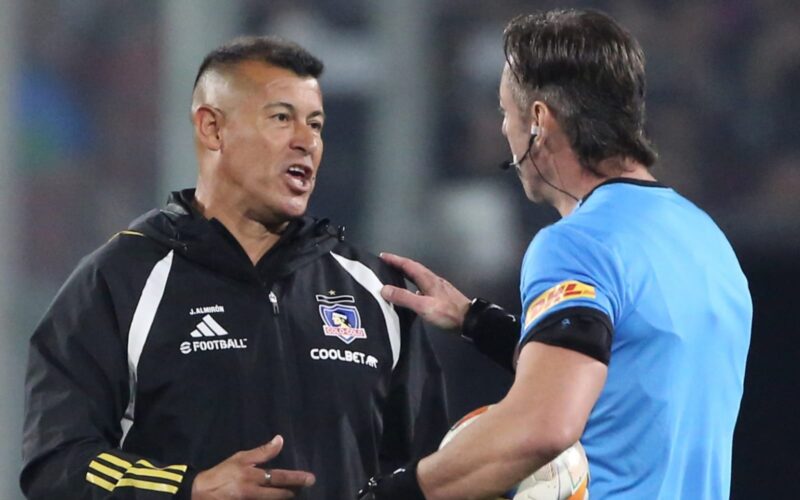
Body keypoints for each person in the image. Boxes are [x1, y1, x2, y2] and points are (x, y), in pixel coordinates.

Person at [20, 36, 448, 500]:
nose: (306, 142)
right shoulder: (119, 282)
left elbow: (430, 473)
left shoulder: (376, 293)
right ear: (212, 129)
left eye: (316, 124)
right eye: (282, 118)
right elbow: (56, 461)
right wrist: (191, 489)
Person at [359, 8, 752, 500]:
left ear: (539, 120)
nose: (504, 128)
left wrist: (392, 493)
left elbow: (543, 425)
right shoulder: (706, 238)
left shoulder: (575, 243)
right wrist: (477, 320)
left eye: (506, 111)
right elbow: (626, 376)